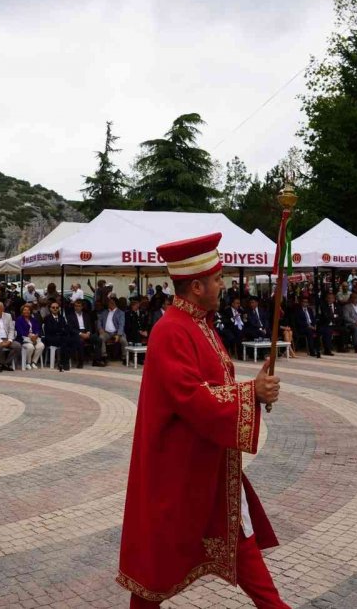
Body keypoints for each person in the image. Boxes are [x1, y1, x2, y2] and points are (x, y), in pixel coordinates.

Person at [117, 232, 288, 608]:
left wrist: (249, 392)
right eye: (217, 279)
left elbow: (210, 387)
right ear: (196, 286)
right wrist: (251, 394)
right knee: (154, 568)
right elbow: (192, 397)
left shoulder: (201, 324)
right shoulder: (171, 331)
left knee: (238, 537)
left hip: (209, 464)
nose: (222, 285)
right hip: (178, 471)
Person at [42, 300, 76, 371]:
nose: (55, 309)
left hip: (60, 337)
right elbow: (49, 330)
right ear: (50, 309)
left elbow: (66, 328)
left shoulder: (61, 318)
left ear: (59, 309)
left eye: (57, 307)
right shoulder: (47, 318)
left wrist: (60, 329)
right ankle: (63, 362)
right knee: (65, 342)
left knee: (71, 341)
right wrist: (60, 329)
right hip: (51, 338)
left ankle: (62, 362)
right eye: (53, 307)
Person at [68, 299, 102, 367]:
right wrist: (81, 334)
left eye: (79, 306)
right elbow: (71, 328)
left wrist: (88, 333)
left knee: (98, 340)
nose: (77, 307)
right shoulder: (70, 316)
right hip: (76, 333)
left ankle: (96, 361)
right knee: (80, 341)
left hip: (86, 332)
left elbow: (89, 326)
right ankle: (80, 362)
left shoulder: (86, 315)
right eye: (76, 306)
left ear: (82, 307)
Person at [15, 303, 45, 369]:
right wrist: (30, 336)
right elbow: (20, 331)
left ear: (30, 311)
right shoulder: (19, 319)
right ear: (22, 311)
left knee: (41, 345)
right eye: (25, 310)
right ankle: (27, 363)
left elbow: (38, 329)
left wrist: (36, 335)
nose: (26, 311)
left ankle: (34, 362)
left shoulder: (33, 320)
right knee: (30, 347)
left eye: (28, 310)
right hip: (24, 338)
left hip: (34, 338)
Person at [97, 296, 125, 363]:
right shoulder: (104, 312)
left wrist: (118, 334)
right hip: (106, 332)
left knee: (124, 341)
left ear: (114, 304)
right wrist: (100, 329)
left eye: (110, 302)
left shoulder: (120, 313)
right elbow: (99, 321)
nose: (108, 304)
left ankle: (125, 357)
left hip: (116, 332)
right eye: (109, 302)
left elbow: (121, 324)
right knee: (101, 338)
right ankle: (104, 356)